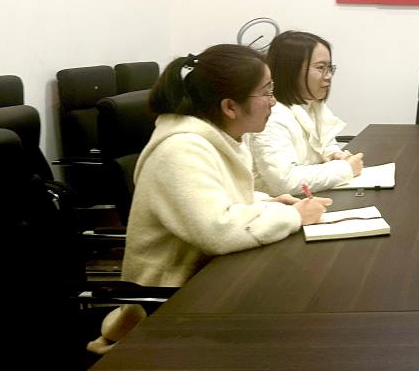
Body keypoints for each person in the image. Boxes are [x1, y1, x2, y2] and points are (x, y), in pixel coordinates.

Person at [87, 44, 332, 354]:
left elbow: (220, 196)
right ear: (230, 106)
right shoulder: (181, 150)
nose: (273, 101)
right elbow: (218, 229)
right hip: (171, 305)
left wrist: (267, 203)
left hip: (210, 282)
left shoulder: (219, 138)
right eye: (267, 91)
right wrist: (294, 216)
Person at [249, 31, 364, 196]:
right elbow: (284, 181)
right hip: (277, 205)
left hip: (307, 200)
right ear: (291, 70)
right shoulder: (271, 116)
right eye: (321, 68)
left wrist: (333, 154)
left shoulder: (312, 106)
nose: (328, 76)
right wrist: (345, 169)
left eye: (330, 68)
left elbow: (325, 144)